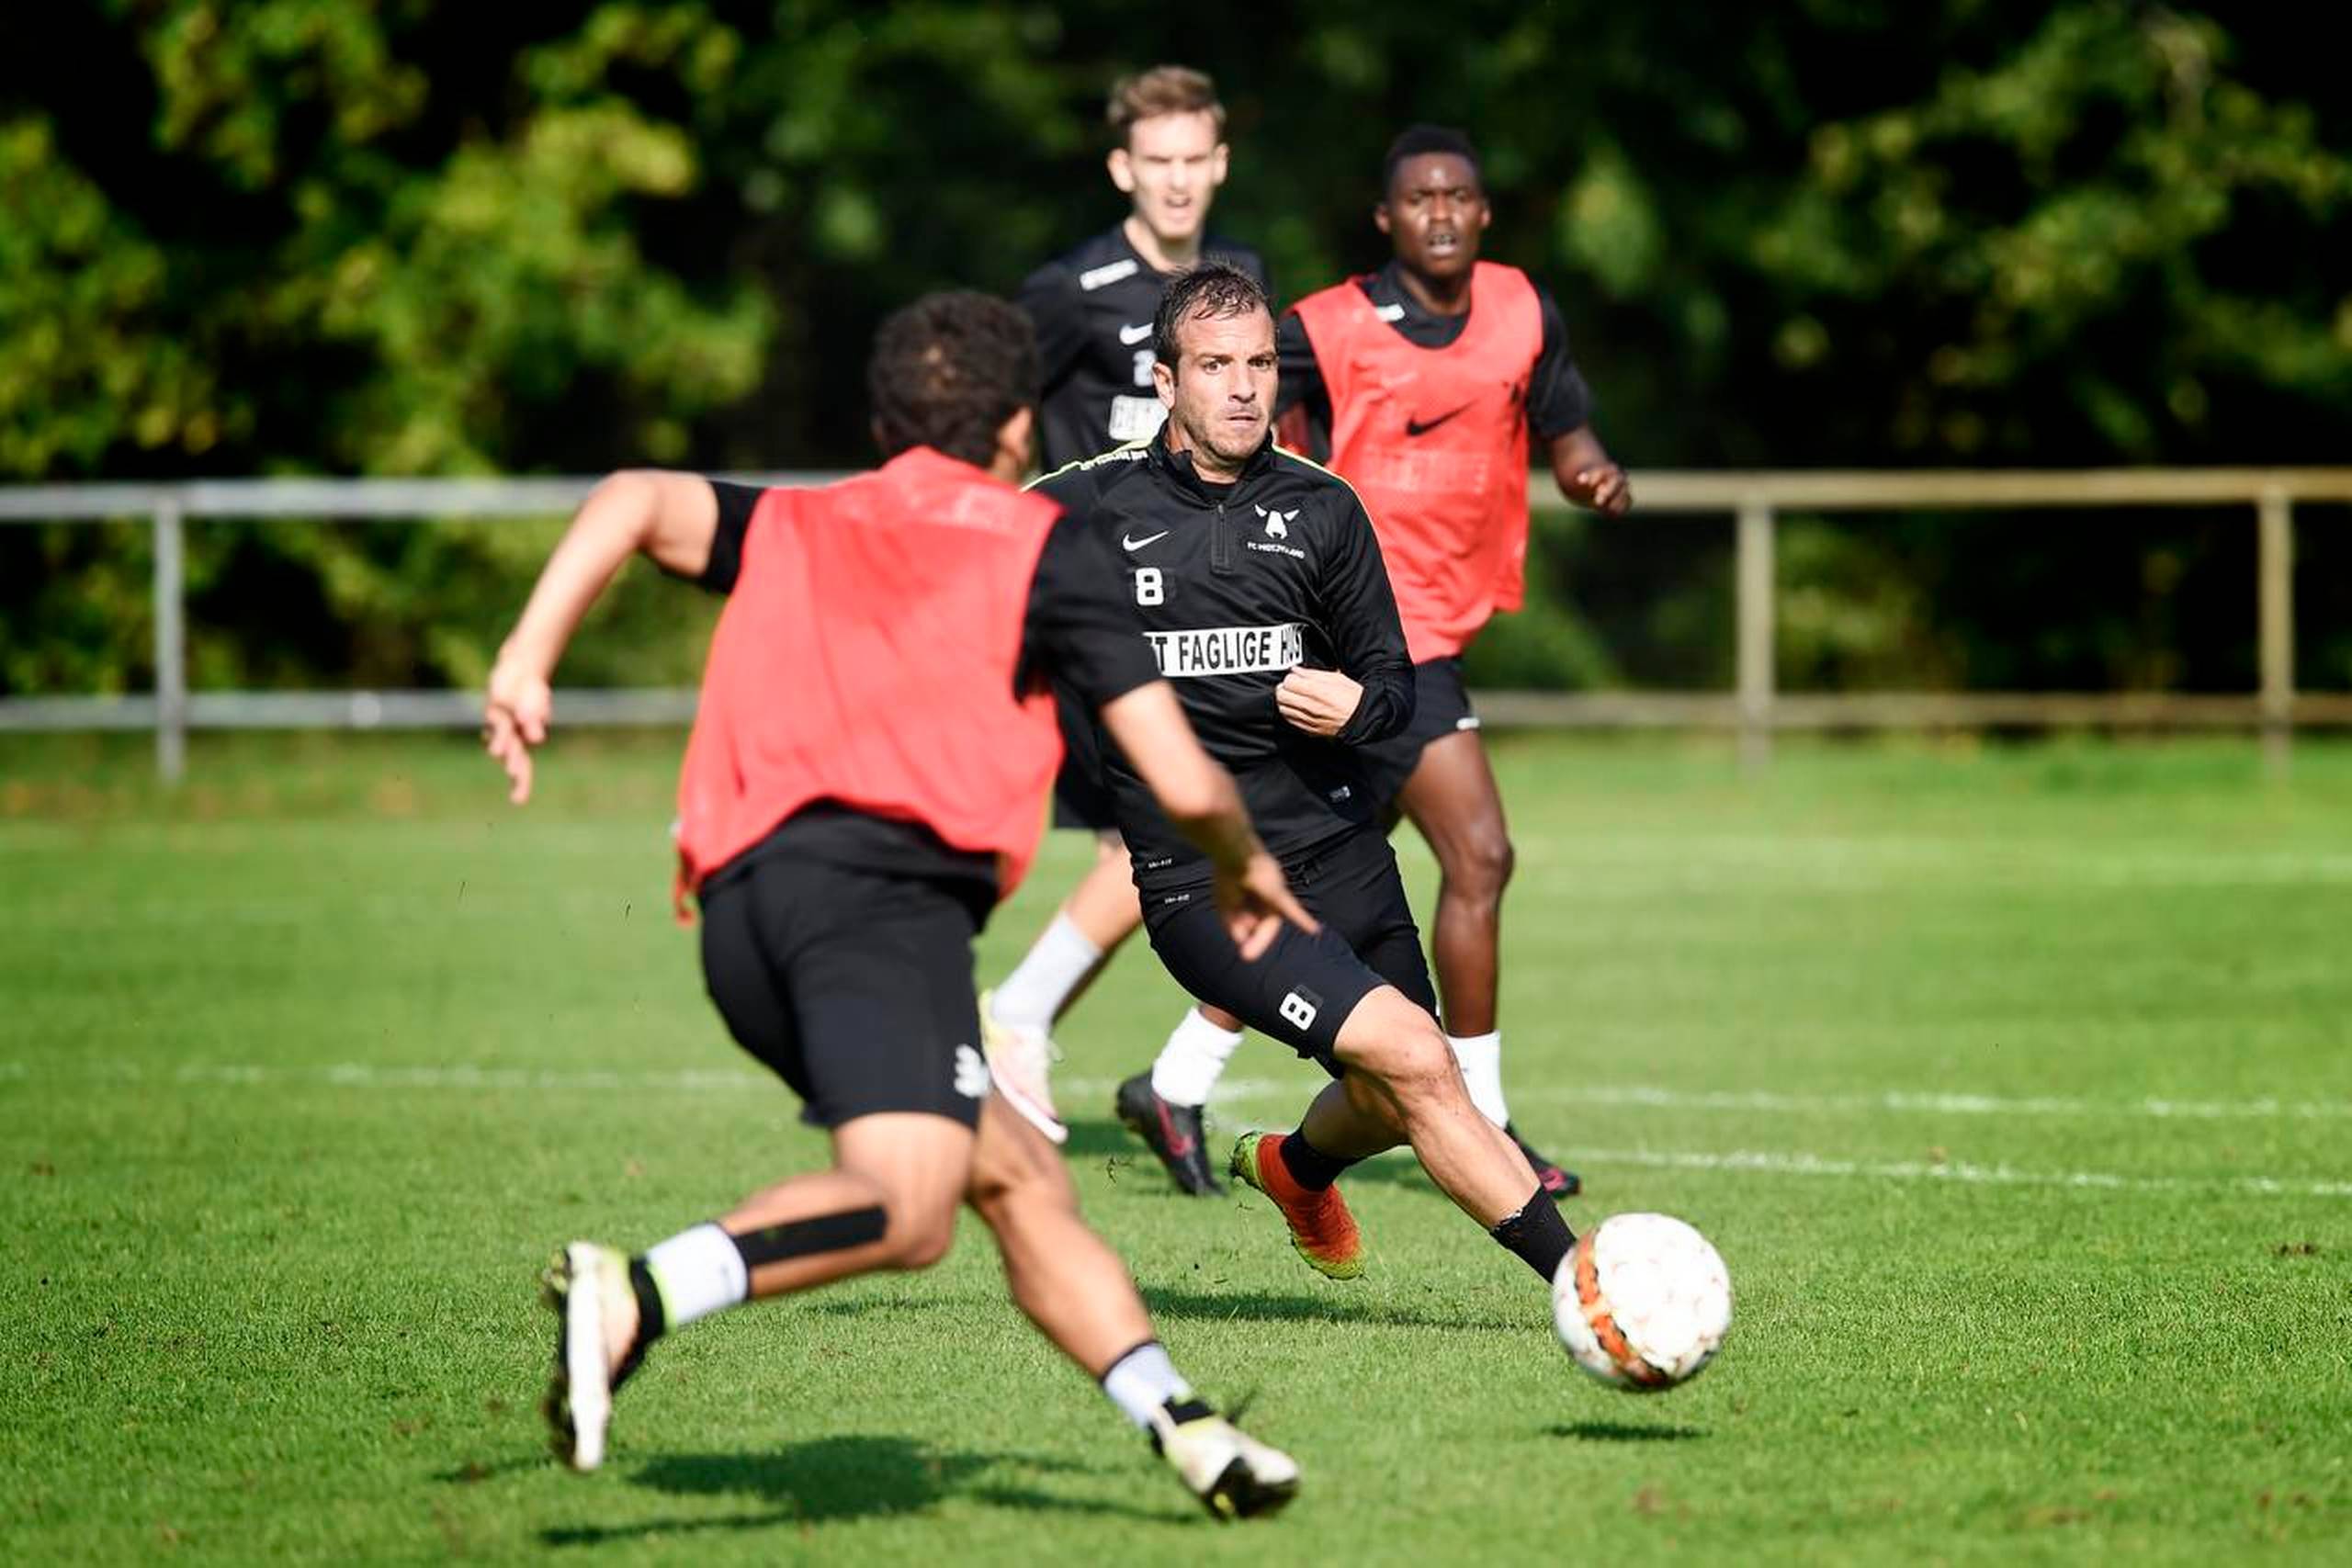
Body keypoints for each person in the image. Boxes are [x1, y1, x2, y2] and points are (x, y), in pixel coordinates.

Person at [481, 291, 1306, 1519]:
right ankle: (636, 1294)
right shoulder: (1044, 549)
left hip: (744, 917)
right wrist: (1241, 861)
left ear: (883, 423)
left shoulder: (804, 517)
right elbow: (1184, 779)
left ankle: (1184, 1427)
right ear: (1019, 424)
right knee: (910, 1209)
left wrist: (526, 654)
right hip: (876, 914)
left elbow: (636, 496)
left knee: (1017, 1177)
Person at [1042, 262, 1579, 1306]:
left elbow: (1395, 683)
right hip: (1206, 884)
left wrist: (1358, 706)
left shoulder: (1324, 506)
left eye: (1259, 364)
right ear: (1165, 381)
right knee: (1417, 1059)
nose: (1244, 387)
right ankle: (1586, 1285)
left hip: (1339, 849)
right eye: (1215, 366)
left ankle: (1293, 1169)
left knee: (1397, 1089)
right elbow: (946, 563)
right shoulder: (1088, 505)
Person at [1133, 124, 1636, 1196]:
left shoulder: (1521, 309)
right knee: (1481, 855)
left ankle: (1176, 1081)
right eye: (1419, 198)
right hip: (1365, 636)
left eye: (1458, 196)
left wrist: (1591, 472)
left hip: (1435, 624)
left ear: (1483, 212)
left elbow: (1568, 429)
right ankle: (1486, 1119)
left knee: (1324, 868)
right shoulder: (1326, 326)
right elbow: (1246, 423)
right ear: (1386, 218)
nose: (1440, 214)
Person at [981, 66, 1271, 1168]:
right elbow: (994, 414)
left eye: (1195, 158)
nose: (1177, 179)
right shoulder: (1069, 290)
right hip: (1094, 602)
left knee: (1160, 844)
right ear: (1122, 169)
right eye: (1157, 161)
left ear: (1220, 163)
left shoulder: (1241, 281)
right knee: (1183, 824)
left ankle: (1037, 1036)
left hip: (1202, 600)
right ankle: (1018, 1019)